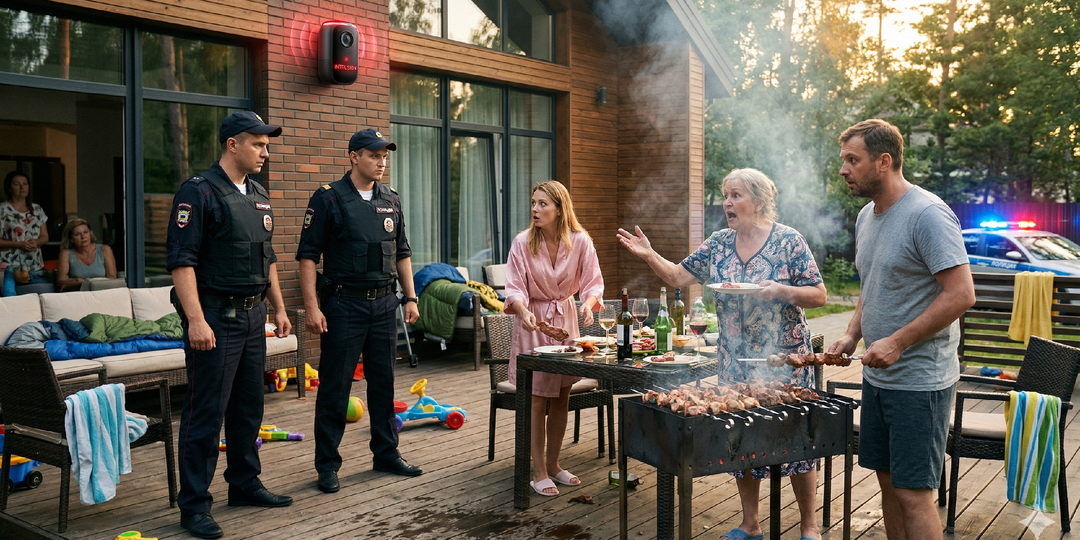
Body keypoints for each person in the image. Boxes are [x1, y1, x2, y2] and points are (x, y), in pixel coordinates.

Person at [618, 168, 827, 540]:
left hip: (784, 355)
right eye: (725, 195)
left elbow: (819, 294)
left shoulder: (788, 242)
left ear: (759, 201)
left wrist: (780, 289)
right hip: (734, 358)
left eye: (735, 195)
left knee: (796, 441)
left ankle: (809, 526)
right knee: (741, 439)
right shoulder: (717, 243)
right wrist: (649, 255)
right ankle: (751, 523)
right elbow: (678, 277)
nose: (727, 203)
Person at [828, 119, 974, 540]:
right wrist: (854, 333)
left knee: (914, 492)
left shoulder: (927, 214)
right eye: (844, 160)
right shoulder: (866, 217)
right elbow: (871, 285)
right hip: (879, 376)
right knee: (888, 482)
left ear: (884, 161)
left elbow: (961, 294)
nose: (844, 169)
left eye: (853, 160)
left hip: (920, 381)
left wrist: (897, 340)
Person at [166, 111, 294, 539]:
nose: (265, 151)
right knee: (206, 413)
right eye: (257, 143)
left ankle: (243, 483)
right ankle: (194, 506)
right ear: (232, 144)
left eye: (266, 143)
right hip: (216, 319)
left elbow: (267, 257)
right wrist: (196, 320)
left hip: (254, 316)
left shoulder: (258, 193)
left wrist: (278, 308)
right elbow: (181, 263)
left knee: (247, 409)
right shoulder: (198, 193)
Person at [297, 128, 422, 495]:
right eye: (374, 155)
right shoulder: (328, 199)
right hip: (343, 304)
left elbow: (402, 252)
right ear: (354, 157)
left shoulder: (391, 199)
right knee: (335, 388)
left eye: (385, 156)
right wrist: (312, 307)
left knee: (383, 383)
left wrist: (411, 297)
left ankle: (386, 453)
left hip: (385, 305)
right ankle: (327, 465)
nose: (382, 162)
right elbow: (307, 257)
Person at [505, 180, 604, 498]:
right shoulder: (522, 242)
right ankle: (538, 472)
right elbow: (515, 287)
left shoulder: (580, 240)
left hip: (566, 320)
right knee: (536, 399)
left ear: (560, 209)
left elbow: (592, 281)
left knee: (561, 395)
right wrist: (522, 310)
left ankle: (554, 463)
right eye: (533, 203)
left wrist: (588, 305)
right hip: (533, 324)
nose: (535, 209)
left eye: (542, 203)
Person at [0, 170, 49, 283]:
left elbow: (45, 236)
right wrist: (19, 244)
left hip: (34, 264)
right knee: (10, 295)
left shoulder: (37, 209)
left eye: (25, 184)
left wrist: (37, 242)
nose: (22, 187)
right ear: (9, 188)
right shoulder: (2, 210)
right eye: (17, 184)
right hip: (8, 266)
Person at [56, 217, 117, 291]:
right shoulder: (66, 253)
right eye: (77, 234)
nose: (83, 237)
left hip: (102, 293)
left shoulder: (105, 249)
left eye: (85, 232)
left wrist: (83, 282)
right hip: (77, 295)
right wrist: (77, 282)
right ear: (71, 239)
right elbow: (61, 282)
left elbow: (112, 278)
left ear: (90, 233)